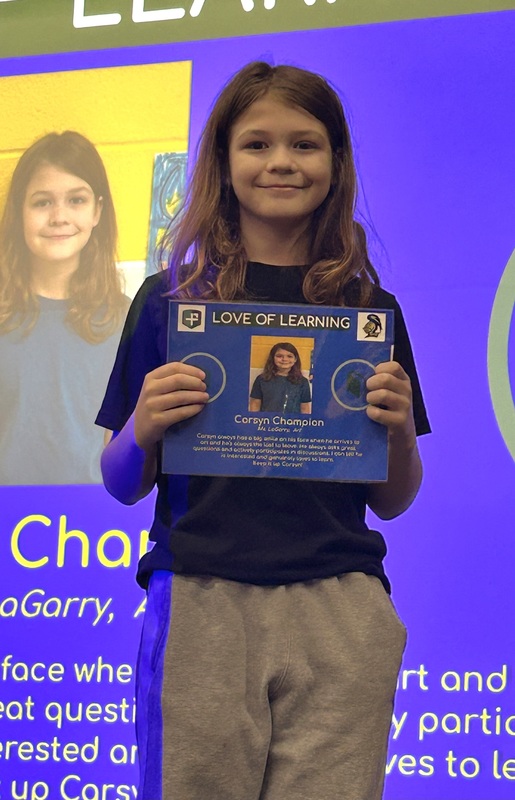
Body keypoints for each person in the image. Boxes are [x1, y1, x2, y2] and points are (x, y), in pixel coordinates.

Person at [97, 61, 431, 800]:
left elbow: (393, 499)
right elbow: (120, 481)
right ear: (222, 161)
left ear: (336, 163)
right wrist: (143, 426)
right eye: (256, 145)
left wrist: (400, 429)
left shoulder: (368, 310)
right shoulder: (169, 304)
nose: (281, 162)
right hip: (202, 598)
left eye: (304, 145)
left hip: (341, 603)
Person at [0, 130, 128, 485]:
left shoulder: (125, 321)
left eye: (76, 200)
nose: (59, 216)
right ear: (19, 212)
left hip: (90, 533)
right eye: (42, 202)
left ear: (97, 210)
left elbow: (122, 445)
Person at [249, 341, 311, 413]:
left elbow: (305, 407)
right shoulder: (262, 379)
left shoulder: (302, 382)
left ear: (295, 359)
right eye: (279, 356)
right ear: (273, 358)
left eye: (289, 356)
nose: (284, 359)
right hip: (267, 422)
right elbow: (255, 404)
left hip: (292, 423)